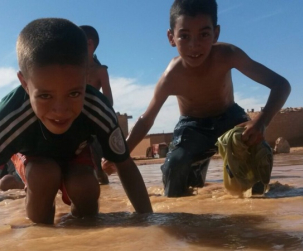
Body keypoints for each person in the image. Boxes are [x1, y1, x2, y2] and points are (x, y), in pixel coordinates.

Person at [0, 18, 153, 234]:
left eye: (74, 93)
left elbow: (125, 166)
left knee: (85, 185)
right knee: (44, 175)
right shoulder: (11, 116)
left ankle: (82, 233)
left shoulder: (97, 108)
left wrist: (150, 222)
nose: (60, 110)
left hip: (75, 153)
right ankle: (42, 231)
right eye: (45, 95)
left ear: (86, 76)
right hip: (34, 158)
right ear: (25, 84)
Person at [105, 0, 291, 197]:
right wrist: (120, 154)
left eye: (204, 34)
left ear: (216, 34)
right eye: (184, 36)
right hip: (192, 128)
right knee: (174, 167)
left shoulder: (228, 55)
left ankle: (258, 206)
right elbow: (146, 120)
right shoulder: (171, 76)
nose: (194, 45)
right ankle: (185, 207)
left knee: (258, 152)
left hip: (230, 118)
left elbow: (281, 85)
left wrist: (261, 121)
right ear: (171, 37)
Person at [80, 25, 113, 185]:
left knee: (99, 171)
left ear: (89, 44)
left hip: (94, 122)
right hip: (74, 120)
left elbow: (109, 101)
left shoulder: (100, 71)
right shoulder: (73, 69)